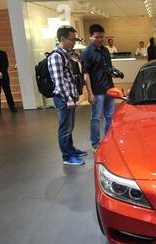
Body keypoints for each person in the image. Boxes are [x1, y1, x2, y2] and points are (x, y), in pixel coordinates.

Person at [48, 25, 87, 165]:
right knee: (64, 129)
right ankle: (67, 157)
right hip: (64, 99)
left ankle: (71, 149)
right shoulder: (56, 56)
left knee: (69, 127)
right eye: (72, 39)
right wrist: (68, 98)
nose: (74, 42)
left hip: (69, 97)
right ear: (63, 39)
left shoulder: (65, 54)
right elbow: (58, 81)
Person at [80, 24, 115, 154]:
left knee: (109, 116)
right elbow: (86, 74)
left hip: (109, 89)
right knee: (96, 118)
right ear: (90, 37)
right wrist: (90, 93)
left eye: (101, 37)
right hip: (97, 91)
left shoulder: (105, 50)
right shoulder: (87, 52)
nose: (100, 39)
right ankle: (95, 144)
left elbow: (108, 69)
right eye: (96, 37)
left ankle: (108, 140)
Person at [0, 37, 17, 114]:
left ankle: (12, 108)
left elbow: (6, 64)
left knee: (8, 92)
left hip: (4, 76)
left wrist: (1, 72)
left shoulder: (2, 53)